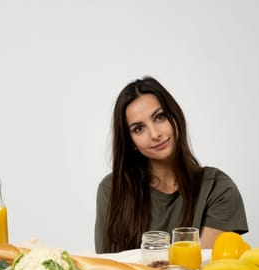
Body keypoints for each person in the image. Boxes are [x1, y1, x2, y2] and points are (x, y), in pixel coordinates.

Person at [94, 76, 248, 254]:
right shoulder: (112, 189)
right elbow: (108, 269)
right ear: (131, 142)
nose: (154, 134)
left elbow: (201, 269)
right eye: (139, 128)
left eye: (160, 117)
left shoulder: (217, 188)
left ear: (175, 116)